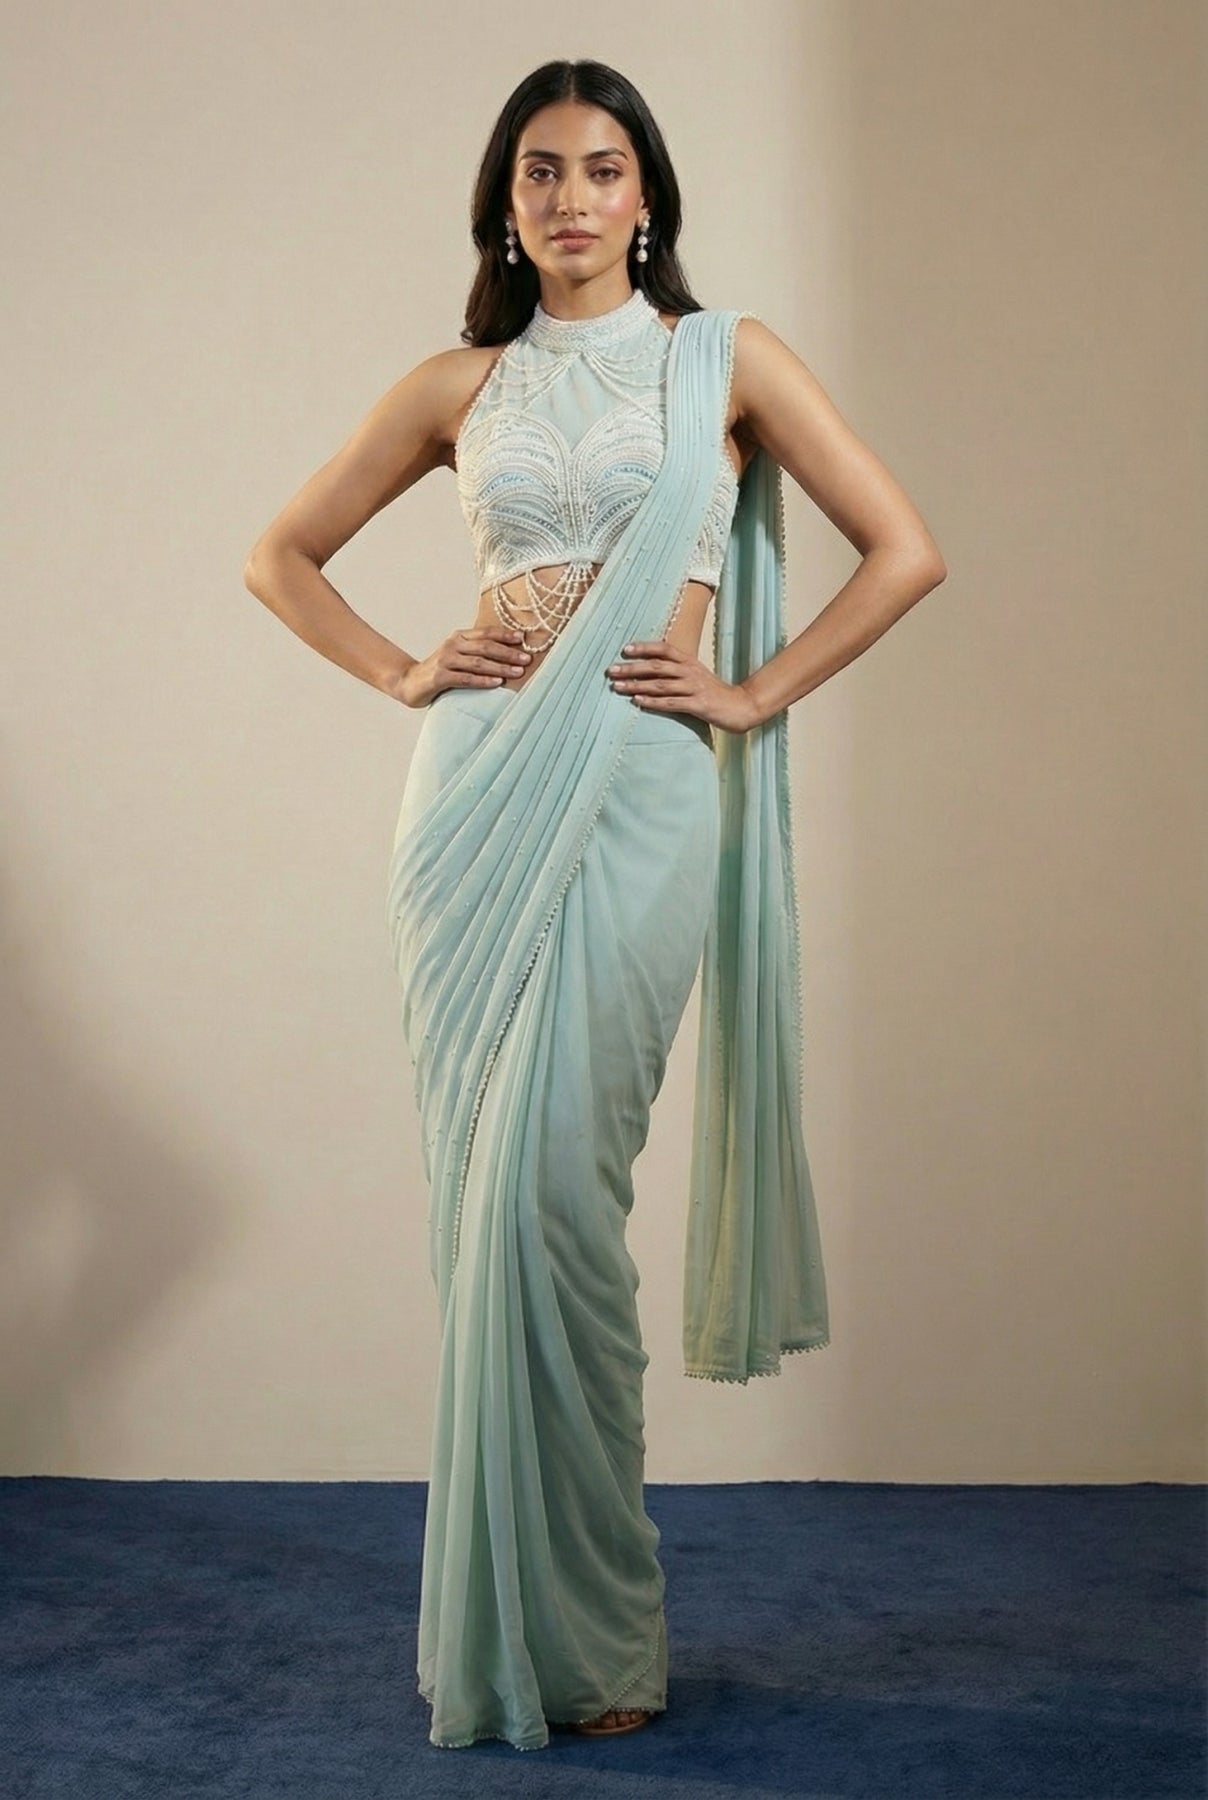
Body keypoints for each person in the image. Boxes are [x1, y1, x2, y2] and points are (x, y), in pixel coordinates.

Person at [244, 58, 946, 1754]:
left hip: (638, 788)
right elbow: (280, 554)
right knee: (489, 1211)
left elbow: (905, 547)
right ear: (506, 203)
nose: (571, 197)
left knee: (561, 1196)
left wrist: (754, 693)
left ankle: (600, 1630)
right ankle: (517, 1634)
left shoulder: (727, 361)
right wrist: (407, 668)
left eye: (603, 168)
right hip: (476, 799)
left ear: (649, 198)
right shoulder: (458, 384)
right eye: (541, 170)